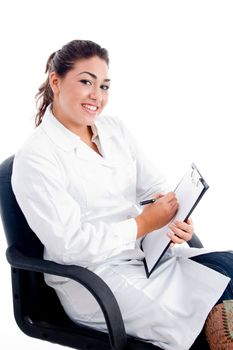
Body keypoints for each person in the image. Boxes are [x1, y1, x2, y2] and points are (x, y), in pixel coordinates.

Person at [11, 39, 233, 350]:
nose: (96, 96)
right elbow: (69, 245)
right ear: (56, 81)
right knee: (211, 307)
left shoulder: (114, 130)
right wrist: (142, 224)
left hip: (146, 257)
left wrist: (176, 216)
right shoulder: (36, 158)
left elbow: (154, 186)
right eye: (86, 82)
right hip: (93, 279)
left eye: (104, 86)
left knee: (230, 269)